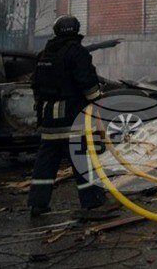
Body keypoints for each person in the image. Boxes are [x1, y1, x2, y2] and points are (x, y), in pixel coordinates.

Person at [27, 15, 113, 221]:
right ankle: (93, 203)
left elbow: (35, 84)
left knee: (45, 163)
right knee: (82, 160)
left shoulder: (44, 54)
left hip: (48, 119)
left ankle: (38, 204)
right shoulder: (77, 53)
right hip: (72, 119)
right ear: (75, 30)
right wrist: (98, 99)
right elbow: (88, 84)